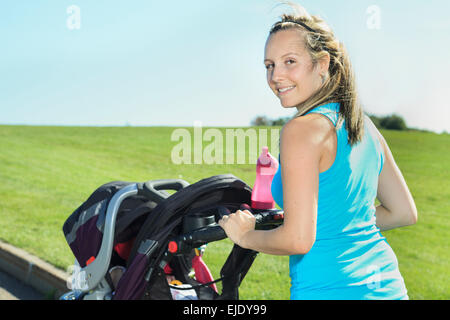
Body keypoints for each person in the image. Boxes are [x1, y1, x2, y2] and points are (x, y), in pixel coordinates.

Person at [218, 3, 417, 300]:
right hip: (388, 287)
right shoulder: (362, 125)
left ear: (322, 63)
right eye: (269, 65)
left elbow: (298, 239)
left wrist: (244, 236)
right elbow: (403, 212)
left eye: (289, 62)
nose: (275, 77)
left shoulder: (301, 130)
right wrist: (333, 223)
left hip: (331, 290)